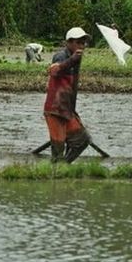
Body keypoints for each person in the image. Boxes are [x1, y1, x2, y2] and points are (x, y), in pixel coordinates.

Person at [43, 27, 93, 163]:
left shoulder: (76, 59)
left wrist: (72, 110)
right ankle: (57, 170)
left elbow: (73, 87)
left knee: (83, 140)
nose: (82, 46)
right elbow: (53, 71)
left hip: (67, 110)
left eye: (84, 43)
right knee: (58, 148)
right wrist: (72, 60)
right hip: (55, 109)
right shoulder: (61, 56)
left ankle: (63, 166)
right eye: (79, 42)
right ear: (69, 42)